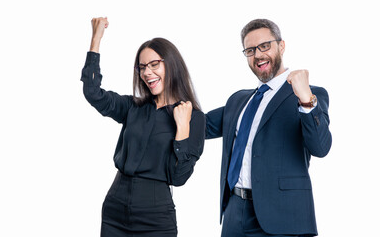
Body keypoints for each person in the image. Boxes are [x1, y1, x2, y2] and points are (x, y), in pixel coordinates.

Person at [205, 19, 332, 237]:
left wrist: (305, 99)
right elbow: (198, 125)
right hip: (235, 214)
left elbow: (320, 148)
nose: (258, 55)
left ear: (281, 46)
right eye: (250, 50)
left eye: (265, 46)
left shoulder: (310, 94)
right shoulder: (239, 100)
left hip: (283, 218)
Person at [81, 17, 205, 237]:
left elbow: (179, 178)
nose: (147, 73)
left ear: (171, 63)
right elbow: (93, 93)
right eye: (142, 67)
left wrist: (182, 128)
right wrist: (96, 39)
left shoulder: (193, 117)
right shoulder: (132, 107)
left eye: (154, 64)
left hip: (155, 217)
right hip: (115, 209)